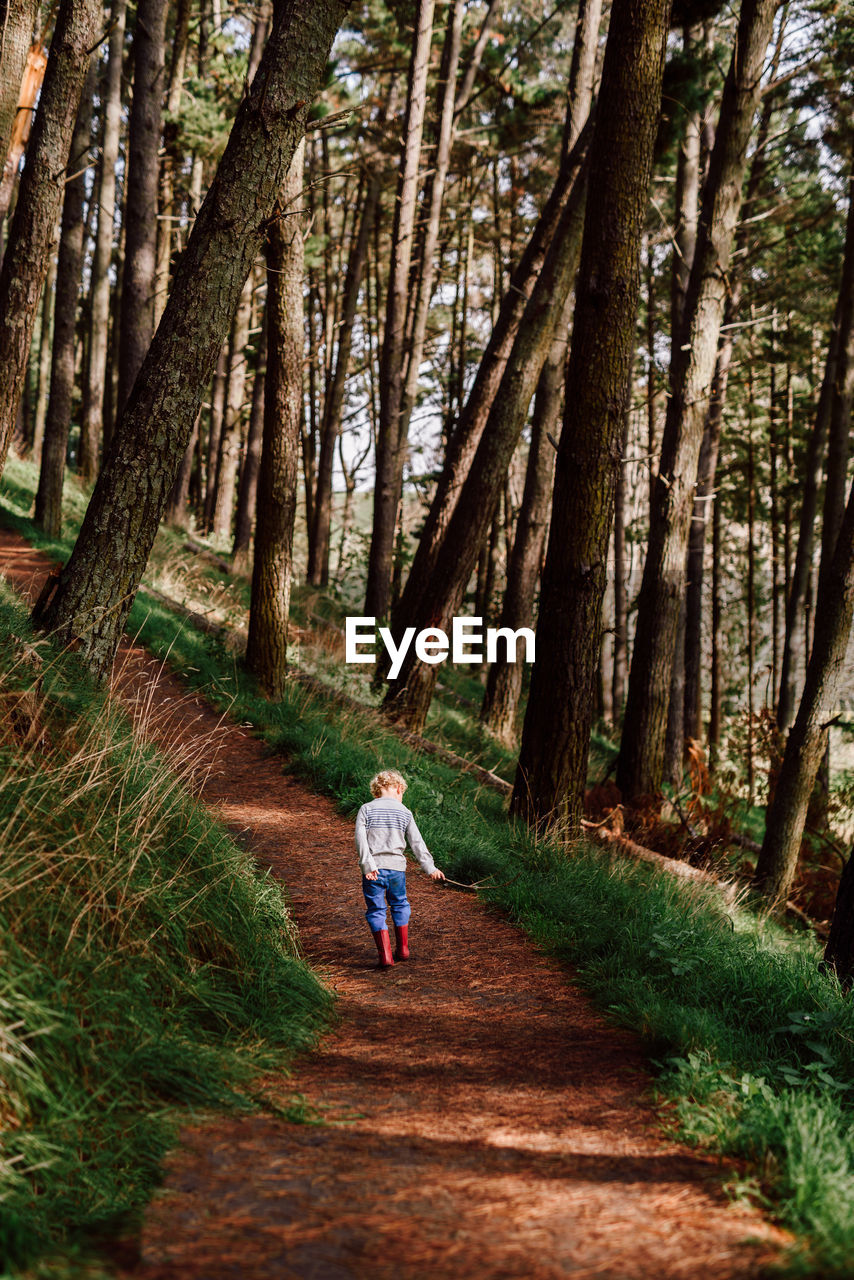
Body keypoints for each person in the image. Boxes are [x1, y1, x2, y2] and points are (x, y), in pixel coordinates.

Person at [355, 769, 445, 968]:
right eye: (402, 793)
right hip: (396, 870)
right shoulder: (404, 812)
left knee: (376, 909)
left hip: (374, 870)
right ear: (397, 788)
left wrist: (367, 865)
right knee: (400, 904)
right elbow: (417, 843)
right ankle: (403, 949)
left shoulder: (366, 809)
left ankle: (386, 955)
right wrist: (430, 868)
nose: (401, 797)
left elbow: (361, 841)